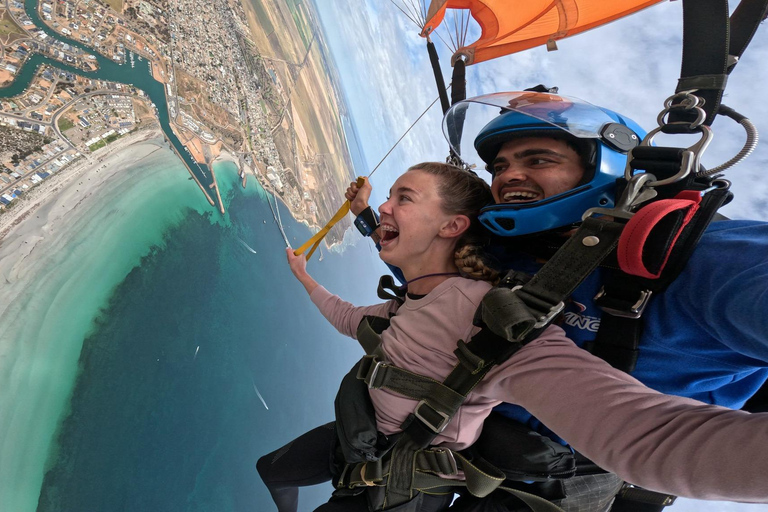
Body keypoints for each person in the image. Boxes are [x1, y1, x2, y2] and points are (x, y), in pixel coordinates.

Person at [258, 162, 768, 512]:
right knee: (274, 470)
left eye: (538, 158)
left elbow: (645, 440)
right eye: (499, 167)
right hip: (387, 442)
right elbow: (410, 263)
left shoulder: (497, 321)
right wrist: (354, 228)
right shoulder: (469, 273)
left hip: (448, 471)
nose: (509, 177)